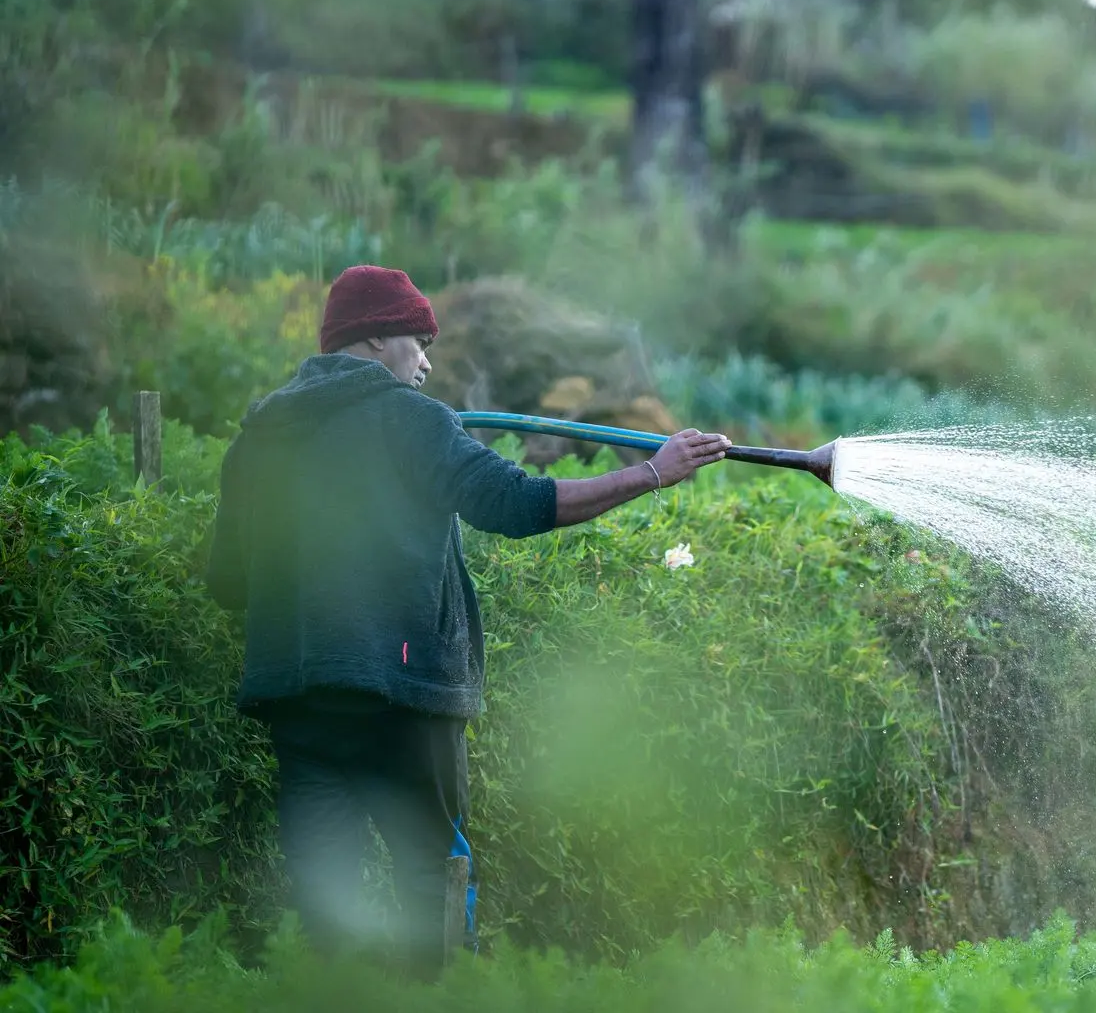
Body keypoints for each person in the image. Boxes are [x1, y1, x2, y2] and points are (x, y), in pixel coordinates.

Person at [204, 264, 730, 980]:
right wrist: (653, 473)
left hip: (298, 705)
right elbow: (517, 505)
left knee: (323, 904)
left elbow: (228, 582)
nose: (425, 362)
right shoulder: (414, 421)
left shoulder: (261, 434)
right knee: (435, 882)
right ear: (378, 338)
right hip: (404, 701)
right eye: (418, 343)